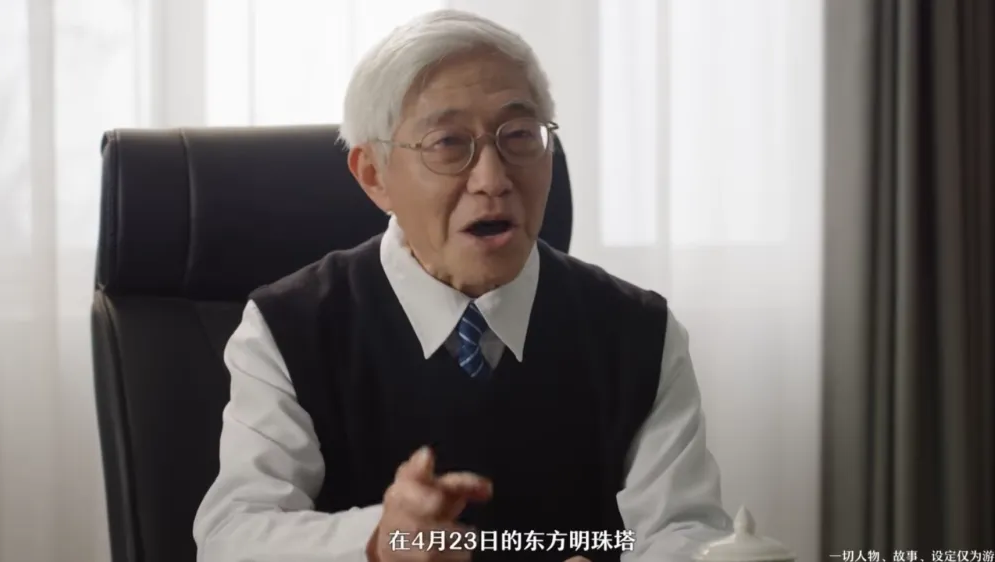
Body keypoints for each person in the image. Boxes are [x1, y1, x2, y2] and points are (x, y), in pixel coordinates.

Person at [192, 8, 731, 562]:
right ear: (374, 175)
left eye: (518, 136)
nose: (493, 180)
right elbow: (233, 536)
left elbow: (683, 531)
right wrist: (376, 542)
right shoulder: (290, 329)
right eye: (448, 143)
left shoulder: (638, 333)